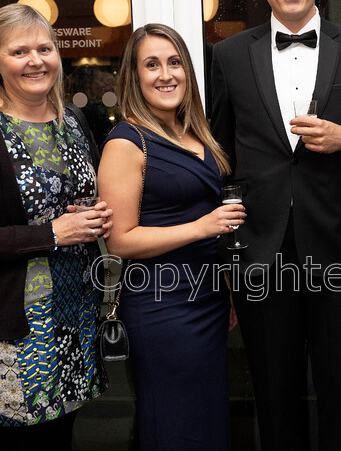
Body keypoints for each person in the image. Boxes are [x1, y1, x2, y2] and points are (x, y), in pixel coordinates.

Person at [209, 0, 341, 451]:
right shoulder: (227, 56)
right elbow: (219, 159)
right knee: (274, 395)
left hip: (340, 251)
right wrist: (226, 252)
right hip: (260, 257)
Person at [0, 3, 113, 450]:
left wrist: (95, 216)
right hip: (16, 331)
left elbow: (72, 201)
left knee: (63, 437)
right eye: (19, 51)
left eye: (44, 48)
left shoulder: (72, 120)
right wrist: (51, 234)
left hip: (74, 315)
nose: (36, 61)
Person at [97, 24, 242, 451]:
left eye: (174, 62)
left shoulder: (198, 134)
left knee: (207, 418)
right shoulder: (126, 142)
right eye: (152, 64)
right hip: (161, 306)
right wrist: (202, 226)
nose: (166, 74)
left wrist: (229, 289)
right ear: (134, 77)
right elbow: (119, 240)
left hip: (209, 299)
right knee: (173, 424)